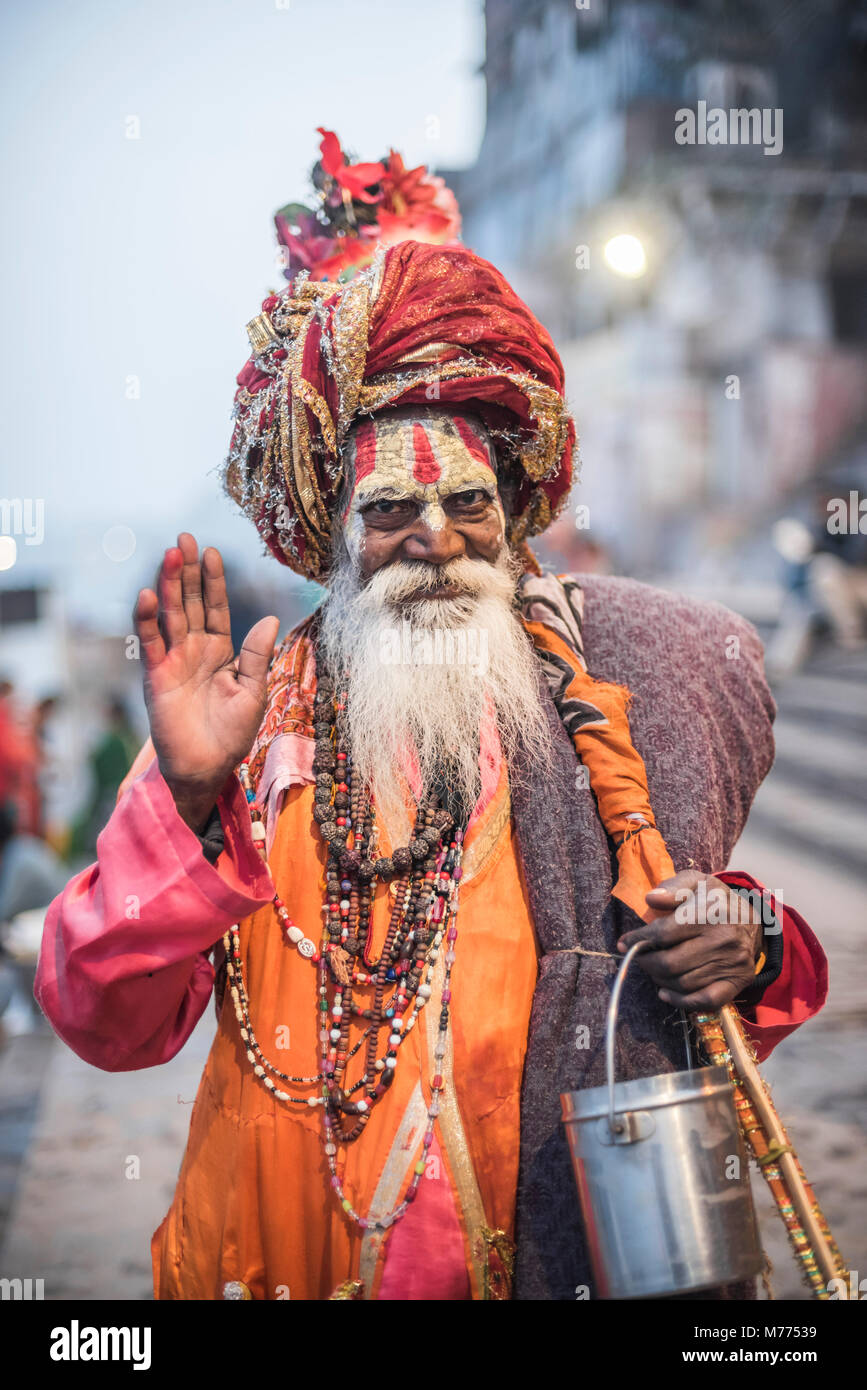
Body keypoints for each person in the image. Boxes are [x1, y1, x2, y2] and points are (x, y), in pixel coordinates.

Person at [35, 132, 826, 1302]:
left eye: (466, 501)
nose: (437, 538)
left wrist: (748, 940)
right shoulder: (250, 727)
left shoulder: (596, 693)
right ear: (336, 529)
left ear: (514, 514)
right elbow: (106, 1020)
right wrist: (189, 800)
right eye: (392, 507)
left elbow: (734, 944)